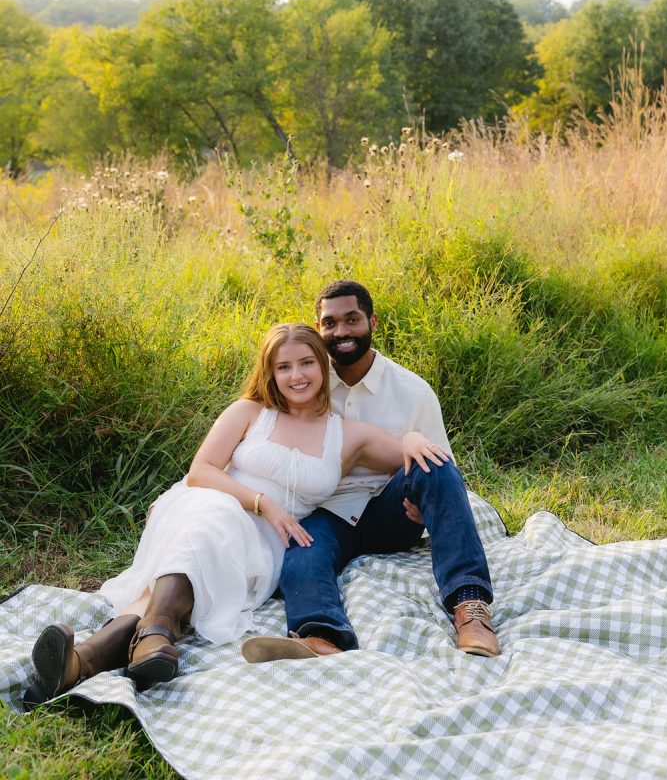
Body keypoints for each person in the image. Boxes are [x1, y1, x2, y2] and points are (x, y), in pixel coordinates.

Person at [24, 323, 441, 706]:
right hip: (213, 502)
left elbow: (411, 452)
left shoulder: (346, 433)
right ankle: (157, 635)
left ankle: (84, 660)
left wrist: (415, 436)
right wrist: (263, 502)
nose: (297, 376)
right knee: (210, 524)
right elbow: (201, 472)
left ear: (323, 365)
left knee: (185, 560)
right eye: (284, 366)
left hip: (266, 543)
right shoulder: (249, 413)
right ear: (270, 372)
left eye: (307, 363)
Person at [241, 281, 500, 664]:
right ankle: (321, 636)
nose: (341, 332)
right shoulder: (306, 379)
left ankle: (470, 606)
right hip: (327, 510)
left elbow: (445, 476)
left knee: (435, 463)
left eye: (352, 320)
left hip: (394, 509)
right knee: (301, 552)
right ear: (319, 328)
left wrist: (425, 503)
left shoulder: (412, 391)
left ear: (372, 322)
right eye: (330, 323)